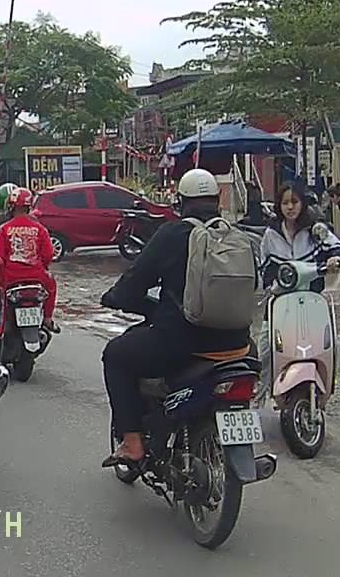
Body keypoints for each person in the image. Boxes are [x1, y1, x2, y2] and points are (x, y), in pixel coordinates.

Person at [99, 169, 253, 466]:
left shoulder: (172, 234)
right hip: (238, 346)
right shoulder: (237, 236)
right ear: (218, 198)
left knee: (116, 355)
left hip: (182, 345)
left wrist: (115, 297)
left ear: (180, 201)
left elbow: (134, 283)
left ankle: (132, 443)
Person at [263, 182, 340, 294]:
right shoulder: (271, 234)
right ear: (279, 205)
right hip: (281, 297)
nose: (290, 207)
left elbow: (337, 247)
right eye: (285, 203)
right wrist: (271, 285)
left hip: (312, 296)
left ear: (302, 203)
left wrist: (336, 258)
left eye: (295, 202)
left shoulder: (316, 229)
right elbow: (264, 266)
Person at [0, 187, 58, 331]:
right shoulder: (40, 229)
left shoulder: (3, 229)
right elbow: (48, 255)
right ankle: (48, 319)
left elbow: (0, 258)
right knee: (52, 285)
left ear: (11, 206)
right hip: (38, 277)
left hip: (10, 278)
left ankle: (0, 322)